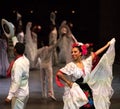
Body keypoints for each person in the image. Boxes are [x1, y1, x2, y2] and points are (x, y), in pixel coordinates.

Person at [56, 38, 115, 109]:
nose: (73, 54)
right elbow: (59, 73)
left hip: (87, 90)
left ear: (80, 53)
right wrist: (69, 83)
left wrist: (107, 45)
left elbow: (96, 53)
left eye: (75, 52)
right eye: (72, 52)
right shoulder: (71, 65)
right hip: (77, 91)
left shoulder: (86, 62)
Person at [5, 42, 30, 109]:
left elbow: (16, 81)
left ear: (15, 50)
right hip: (25, 92)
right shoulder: (26, 60)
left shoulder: (17, 64)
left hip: (19, 95)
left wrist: (9, 96)